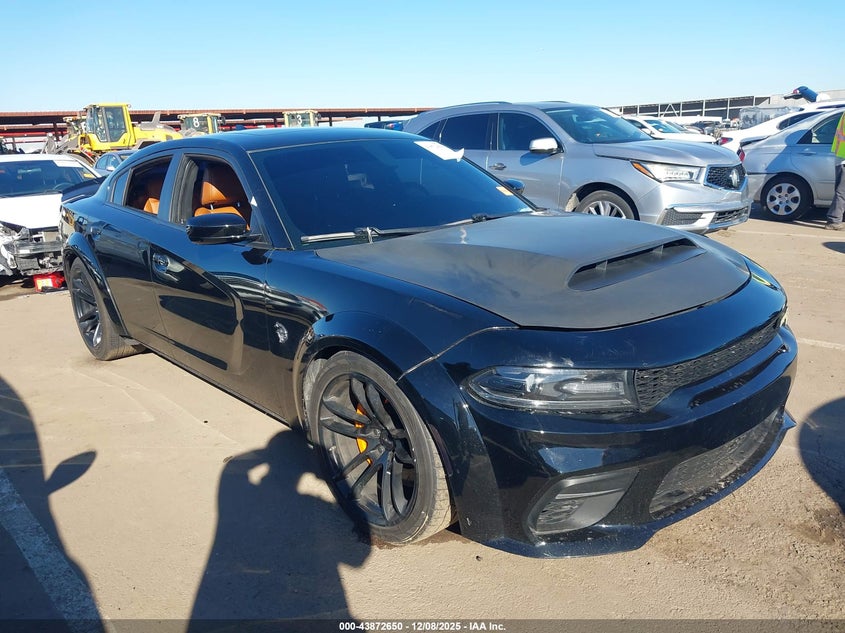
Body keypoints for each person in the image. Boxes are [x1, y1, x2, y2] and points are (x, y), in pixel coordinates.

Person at [826, 111, 845, 230]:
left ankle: (835, 219)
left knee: (841, 191)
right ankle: (834, 220)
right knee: (842, 192)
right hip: (844, 159)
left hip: (841, 156)